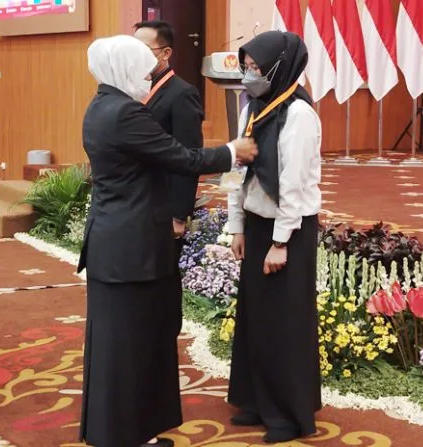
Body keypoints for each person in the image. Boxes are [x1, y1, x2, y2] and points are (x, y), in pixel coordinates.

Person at [77, 35, 257, 447]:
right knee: (132, 345)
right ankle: (124, 435)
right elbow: (182, 157)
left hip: (113, 243)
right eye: (142, 72)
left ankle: (124, 431)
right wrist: (233, 151)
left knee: (121, 345)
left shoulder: (100, 105)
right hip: (132, 247)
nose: (147, 79)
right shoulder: (125, 112)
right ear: (124, 69)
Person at [226, 30, 322, 443]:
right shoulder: (254, 107)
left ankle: (287, 413)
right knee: (255, 317)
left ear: (280, 68)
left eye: (256, 68)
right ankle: (255, 399)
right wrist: (236, 225)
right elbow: (237, 170)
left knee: (284, 322)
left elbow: (294, 183)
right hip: (257, 224)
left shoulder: (299, 114)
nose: (249, 75)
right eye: (246, 67)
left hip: (289, 229)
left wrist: (280, 242)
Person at [133, 20, 203, 246]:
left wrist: (178, 214)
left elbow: (188, 155)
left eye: (144, 49)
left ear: (165, 53)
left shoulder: (182, 94)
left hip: (163, 201)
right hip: (135, 197)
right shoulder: (132, 88)